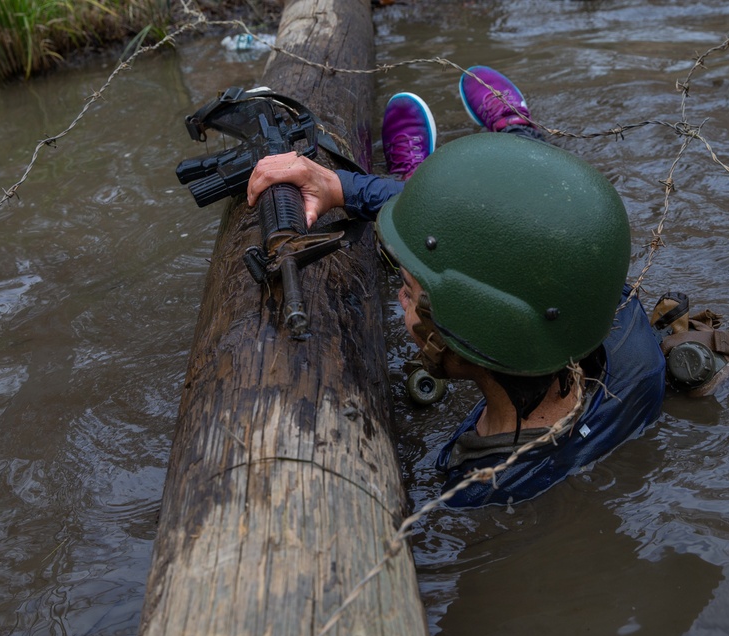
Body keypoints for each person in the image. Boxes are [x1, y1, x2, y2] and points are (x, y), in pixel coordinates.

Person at [246, 66, 666, 507]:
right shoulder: (621, 330)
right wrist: (341, 186)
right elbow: (525, 238)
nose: (399, 297)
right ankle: (511, 131)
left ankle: (428, 171)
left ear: (469, 329)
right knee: (536, 194)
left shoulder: (481, 487)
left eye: (409, 292)